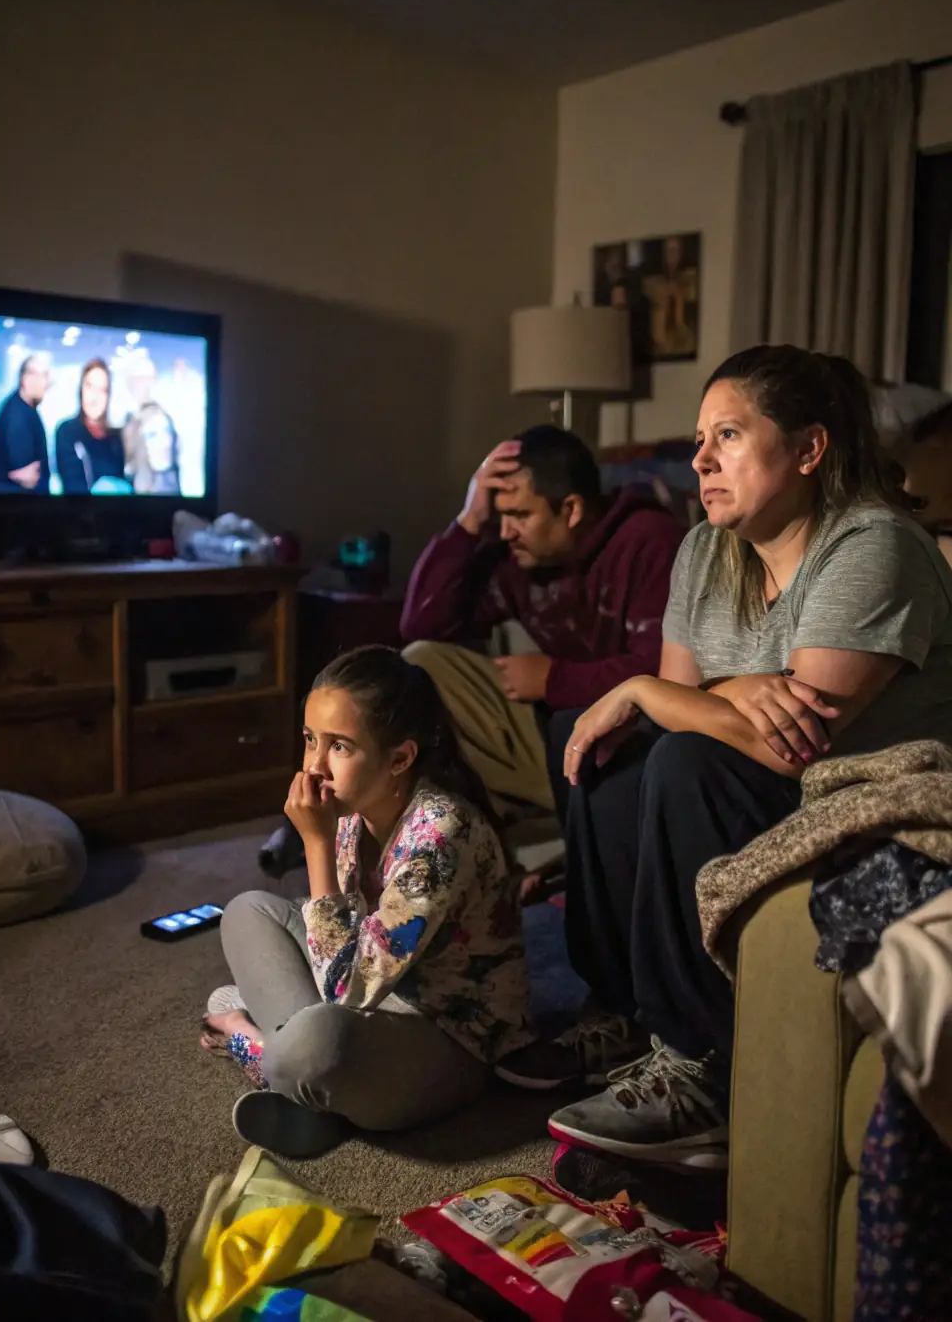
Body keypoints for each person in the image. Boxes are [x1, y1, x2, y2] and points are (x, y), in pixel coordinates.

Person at [497, 344, 952, 1173]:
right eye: (701, 437)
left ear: (809, 449)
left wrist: (651, 689)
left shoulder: (872, 546)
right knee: (602, 751)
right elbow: (684, 712)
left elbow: (791, 738)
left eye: (729, 435)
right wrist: (704, 692)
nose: (701, 458)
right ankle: (621, 1011)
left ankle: (702, 1067)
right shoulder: (706, 550)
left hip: (862, 793)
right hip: (761, 777)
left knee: (677, 763)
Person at [200, 645, 532, 1158]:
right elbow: (345, 955)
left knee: (313, 1039)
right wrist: (328, 839)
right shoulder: (355, 807)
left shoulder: (441, 833)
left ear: (400, 758)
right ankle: (311, 1090)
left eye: (339, 747)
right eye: (310, 739)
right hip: (369, 995)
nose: (313, 767)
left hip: (446, 1040)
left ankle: (253, 1043)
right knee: (248, 910)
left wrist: (315, 843)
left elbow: (342, 990)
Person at [400, 424, 685, 839]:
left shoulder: (649, 541)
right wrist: (469, 519)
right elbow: (422, 624)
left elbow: (665, 671)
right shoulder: (517, 557)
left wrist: (553, 679)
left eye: (519, 515)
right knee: (421, 662)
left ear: (570, 509)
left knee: (573, 723)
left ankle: (566, 815)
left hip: (635, 732)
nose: (505, 531)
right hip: (554, 719)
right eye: (500, 517)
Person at [54, 358, 126, 494]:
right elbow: (73, 487)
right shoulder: (67, 431)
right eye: (89, 387)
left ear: (108, 396)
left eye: (102, 390)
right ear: (80, 390)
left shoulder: (116, 439)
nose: (94, 397)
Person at [0, 354, 52, 494]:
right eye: (36, 375)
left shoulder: (27, 409)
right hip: (18, 506)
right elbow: (27, 477)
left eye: (45, 376)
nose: (43, 383)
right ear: (24, 378)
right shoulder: (17, 415)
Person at [122, 401, 180, 495]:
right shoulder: (121, 490)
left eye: (167, 430)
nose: (166, 442)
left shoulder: (178, 485)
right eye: (152, 435)